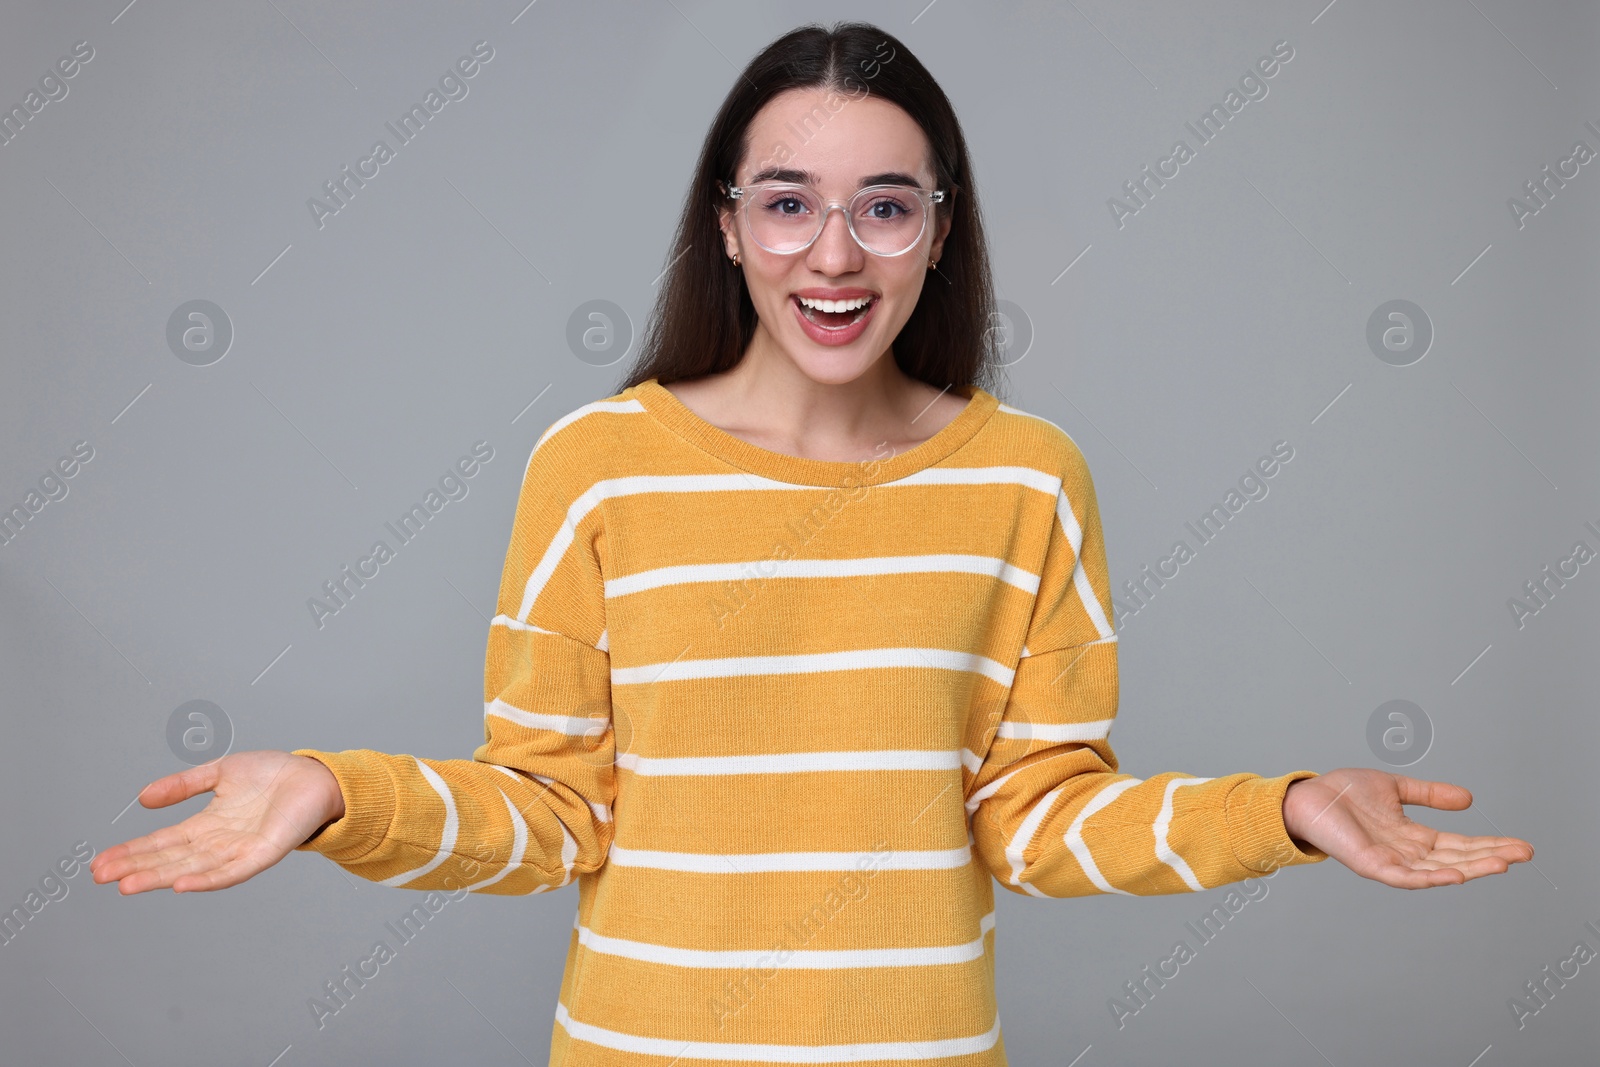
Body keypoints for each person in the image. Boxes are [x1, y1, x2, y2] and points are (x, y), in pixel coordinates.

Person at [91, 20, 1533, 1065]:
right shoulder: (597, 469)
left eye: (883, 208)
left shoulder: (1030, 481)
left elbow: (1033, 818)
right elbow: (551, 813)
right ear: (727, 228)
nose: (831, 256)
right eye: (786, 204)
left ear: (938, 232)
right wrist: (336, 796)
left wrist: (1282, 812)